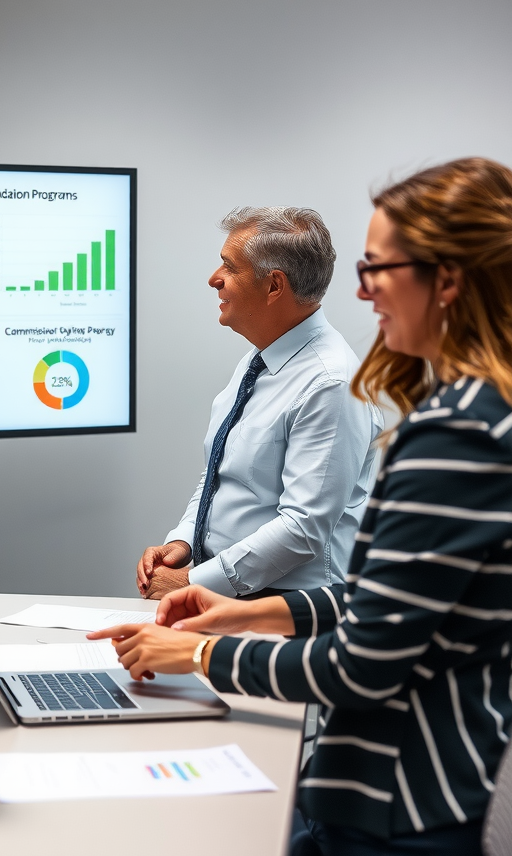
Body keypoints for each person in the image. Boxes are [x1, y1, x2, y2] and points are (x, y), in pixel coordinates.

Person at [94, 157, 512, 856]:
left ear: (447, 281)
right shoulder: (474, 417)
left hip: (401, 811)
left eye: (379, 268)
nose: (361, 291)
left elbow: (361, 664)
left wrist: (202, 653)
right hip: (405, 793)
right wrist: (242, 613)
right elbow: (382, 598)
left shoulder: (458, 438)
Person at [136, 206, 381, 601]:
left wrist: (193, 584)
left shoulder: (330, 383)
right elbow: (221, 475)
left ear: (274, 286)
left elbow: (302, 529)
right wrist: (183, 542)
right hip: (234, 596)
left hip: (290, 611)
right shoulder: (260, 361)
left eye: (230, 267)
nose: (214, 279)